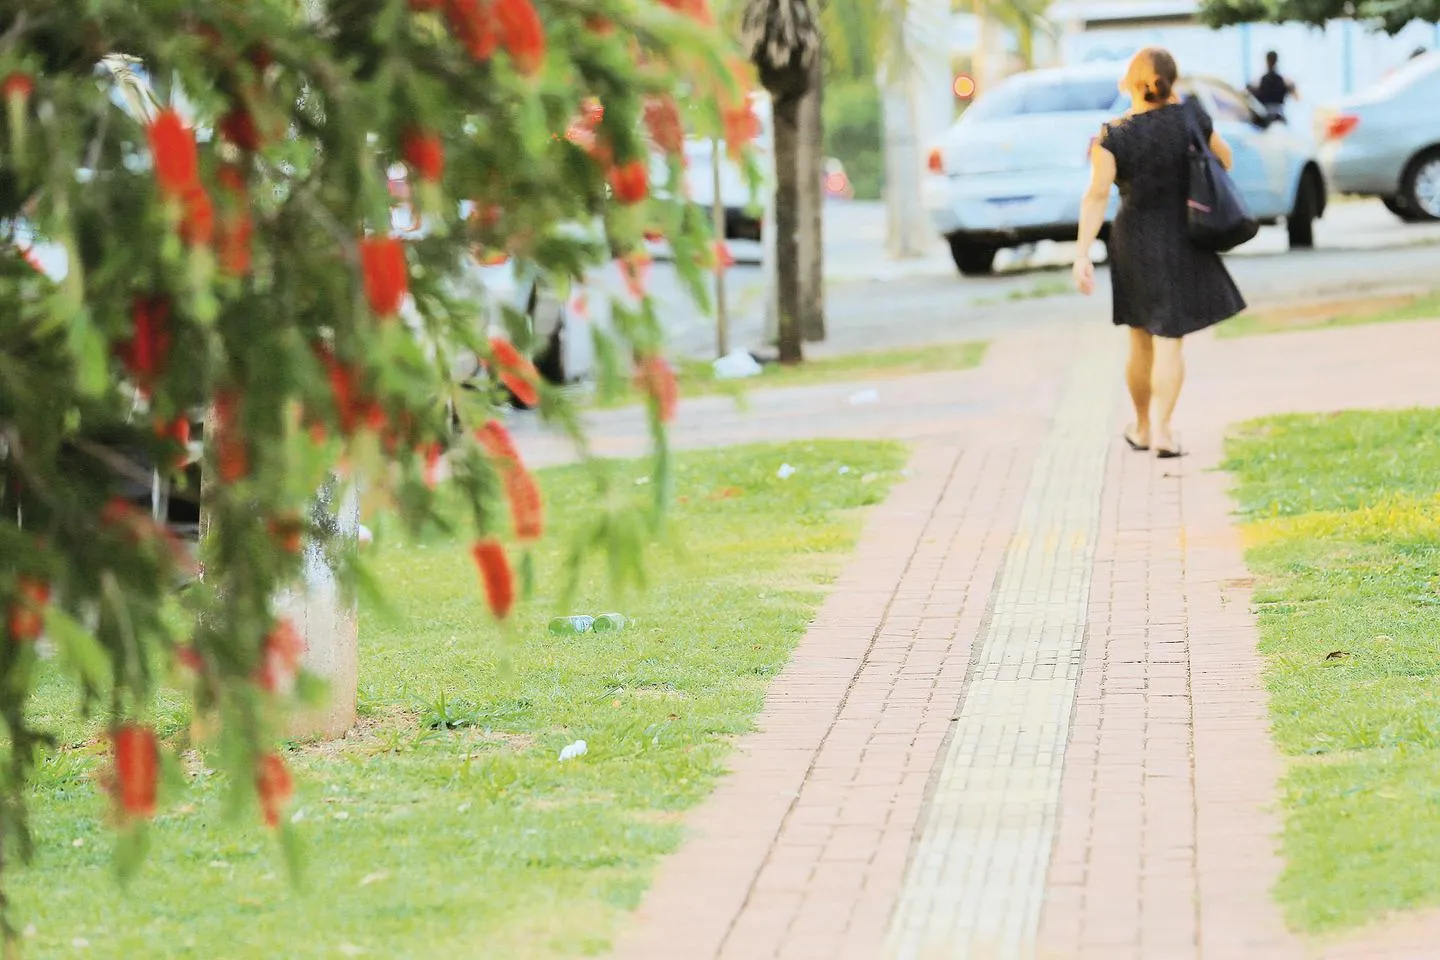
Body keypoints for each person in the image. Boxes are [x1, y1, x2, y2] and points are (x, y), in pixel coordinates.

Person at [1071, 47, 1246, 459]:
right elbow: (1226, 159)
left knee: (1140, 338)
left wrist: (1082, 254)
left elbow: (1097, 194)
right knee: (1171, 341)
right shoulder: (1191, 119)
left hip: (1133, 238)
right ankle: (1165, 431)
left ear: (1130, 83)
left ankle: (1144, 426)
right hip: (1183, 234)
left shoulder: (1113, 135)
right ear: (1171, 80)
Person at [1248, 51, 1298, 120]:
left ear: (1266, 61)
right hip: (1277, 116)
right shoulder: (1283, 80)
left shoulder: (1262, 80)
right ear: (1277, 61)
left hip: (1266, 117)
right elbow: (1297, 97)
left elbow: (1248, 92)